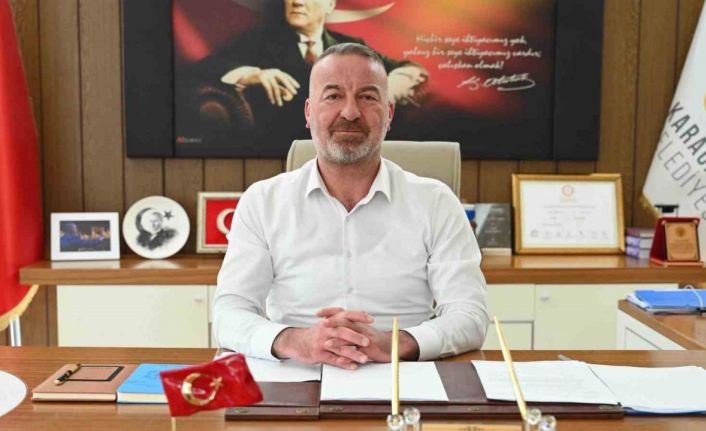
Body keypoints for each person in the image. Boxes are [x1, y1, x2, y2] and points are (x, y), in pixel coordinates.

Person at [213, 43, 487, 369]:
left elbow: (470, 315)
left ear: (389, 114)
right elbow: (230, 313)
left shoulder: (437, 202)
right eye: (333, 96)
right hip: (296, 375)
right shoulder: (262, 202)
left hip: (403, 376)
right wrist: (296, 341)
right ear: (308, 112)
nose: (350, 112)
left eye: (367, 97)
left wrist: (395, 343)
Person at [193, 0, 428, 156]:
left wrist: (387, 89)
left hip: (345, 151)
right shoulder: (258, 42)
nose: (296, 1)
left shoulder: (351, 46)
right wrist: (252, 74)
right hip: (280, 150)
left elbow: (411, 69)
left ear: (330, 4)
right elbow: (205, 68)